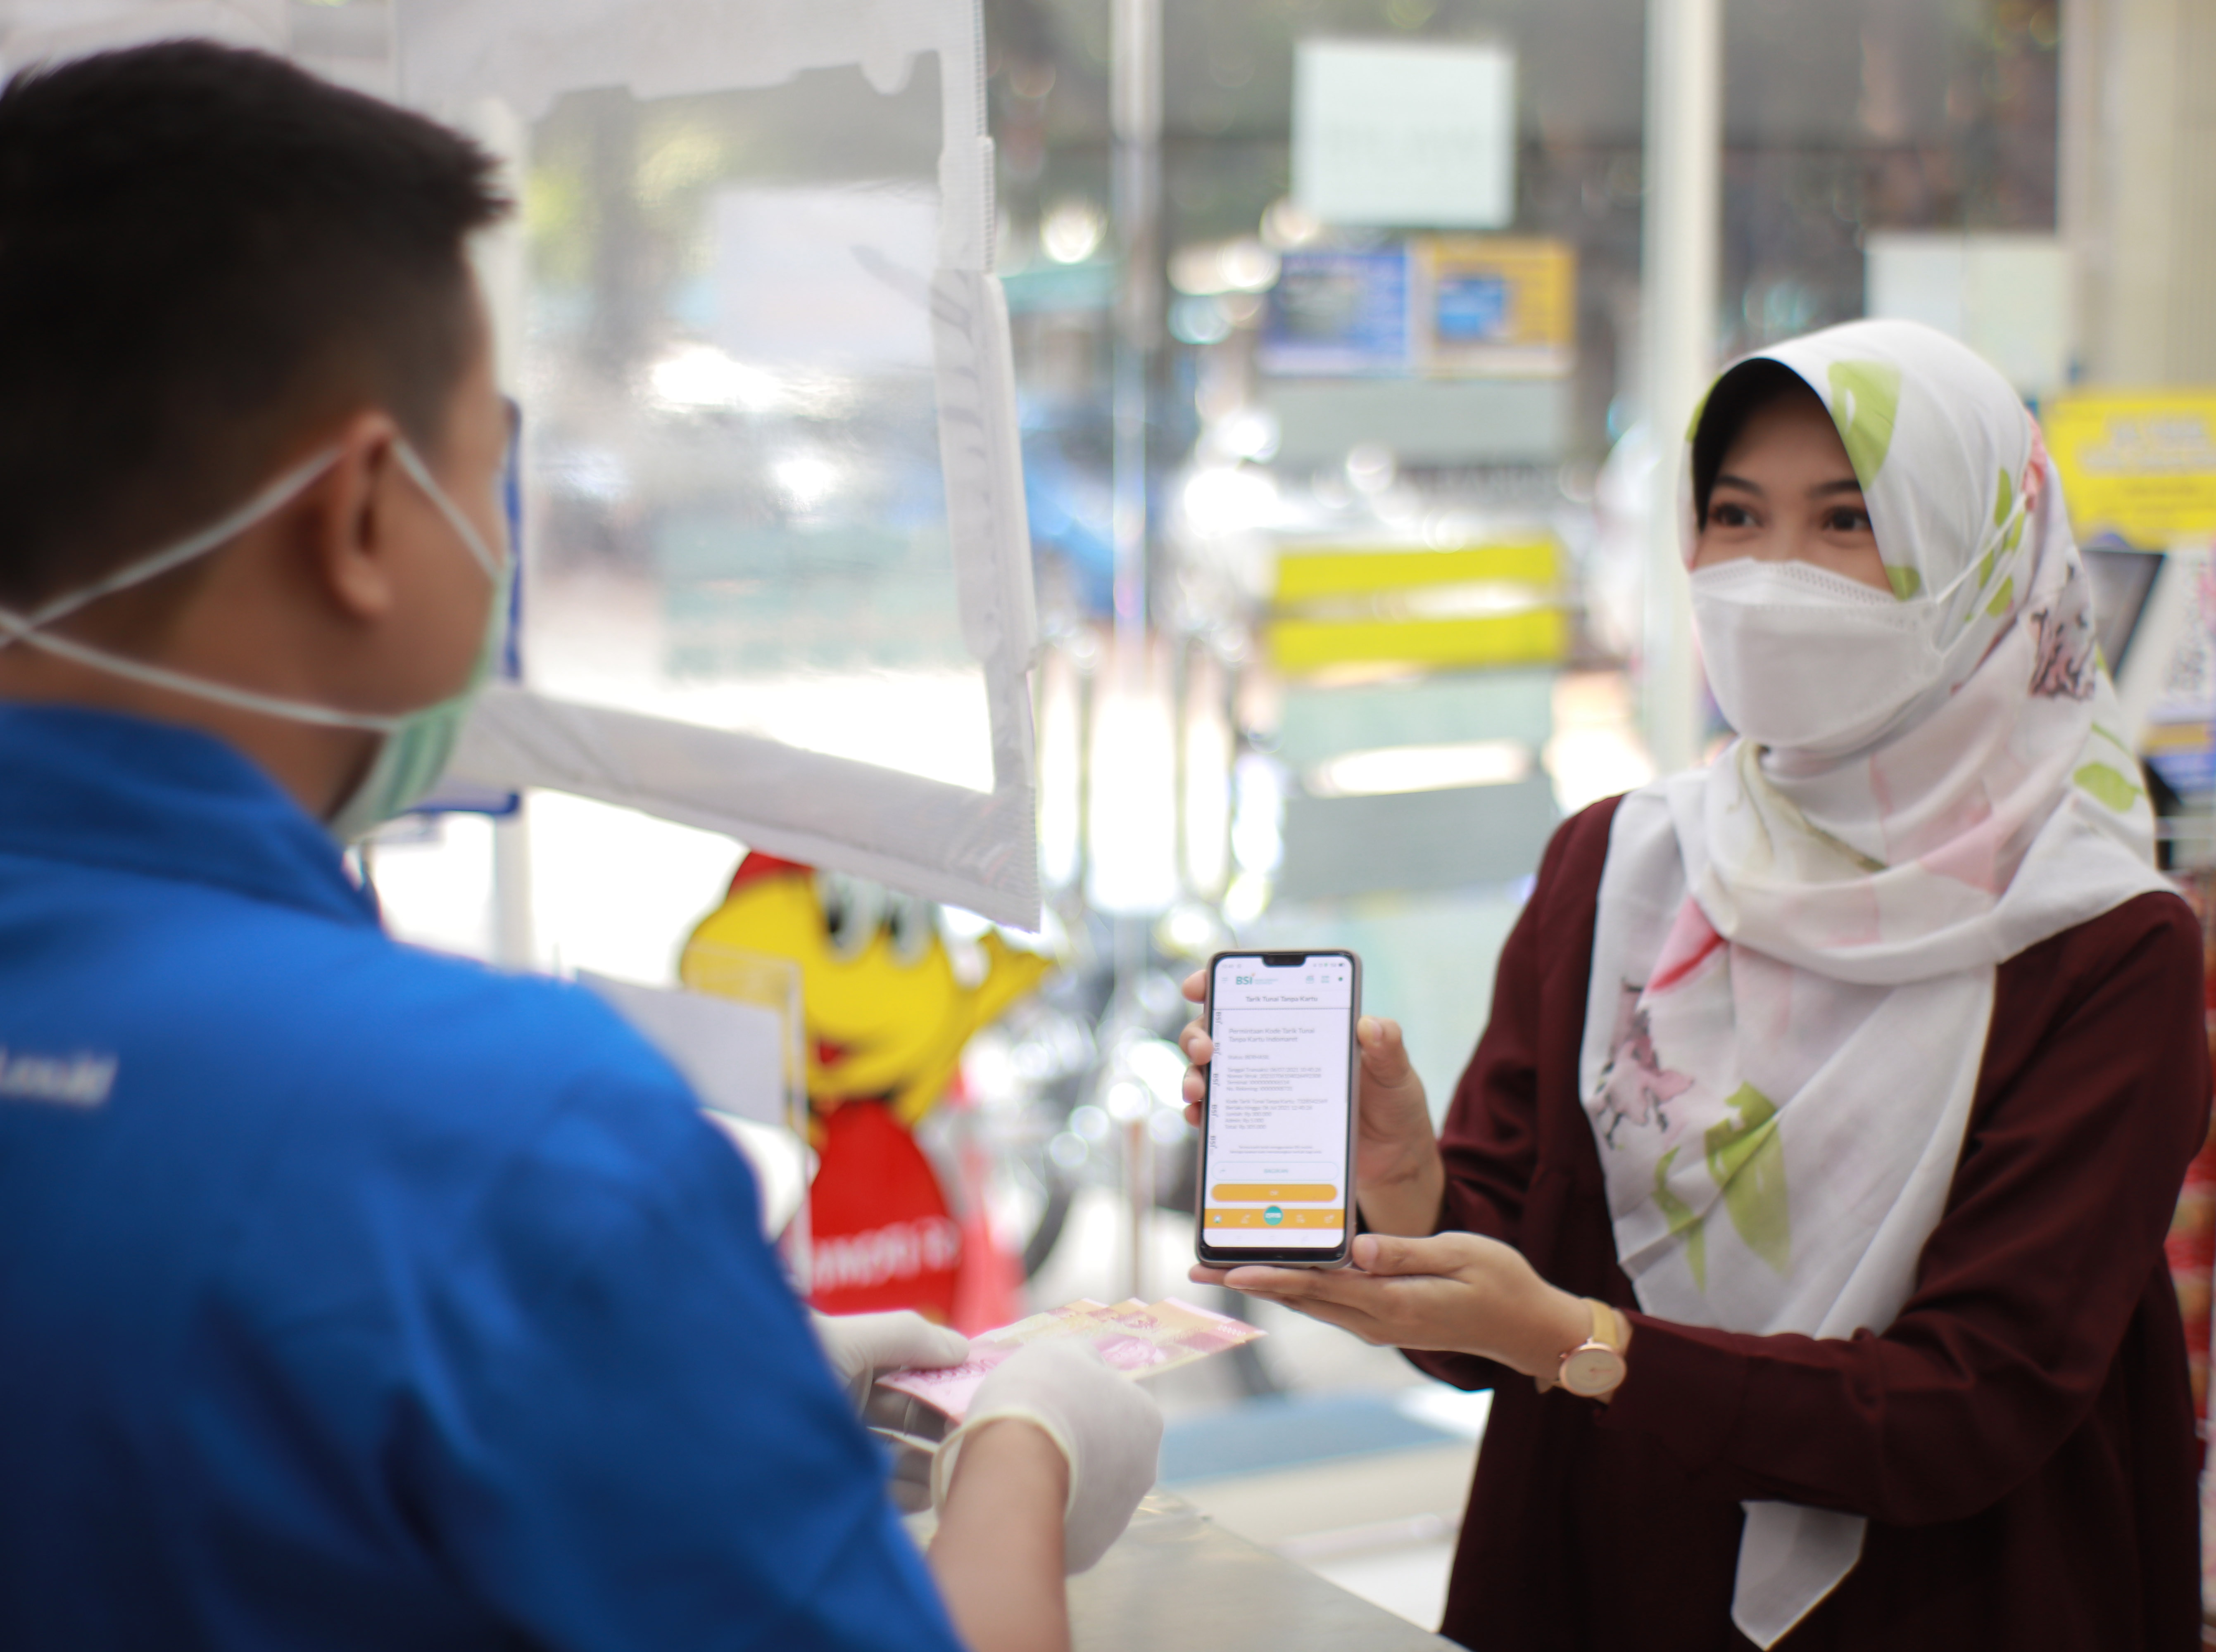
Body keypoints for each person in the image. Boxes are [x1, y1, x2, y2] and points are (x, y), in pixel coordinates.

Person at [0, 41, 1158, 1652]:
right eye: (492, 463)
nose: (505, 528)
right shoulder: (511, 1135)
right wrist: (1024, 1452)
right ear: (358, 518)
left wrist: (670, 1372)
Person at [1179, 319, 2209, 1648]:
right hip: (1602, 1569)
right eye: (1735, 515)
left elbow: (1970, 1406)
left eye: (1845, 523)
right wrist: (1403, 1187)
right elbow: (1508, 1297)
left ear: (1980, 556)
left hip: (1943, 1601)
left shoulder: (2100, 941)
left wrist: (1577, 1345)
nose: (1772, 578)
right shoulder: (1622, 864)